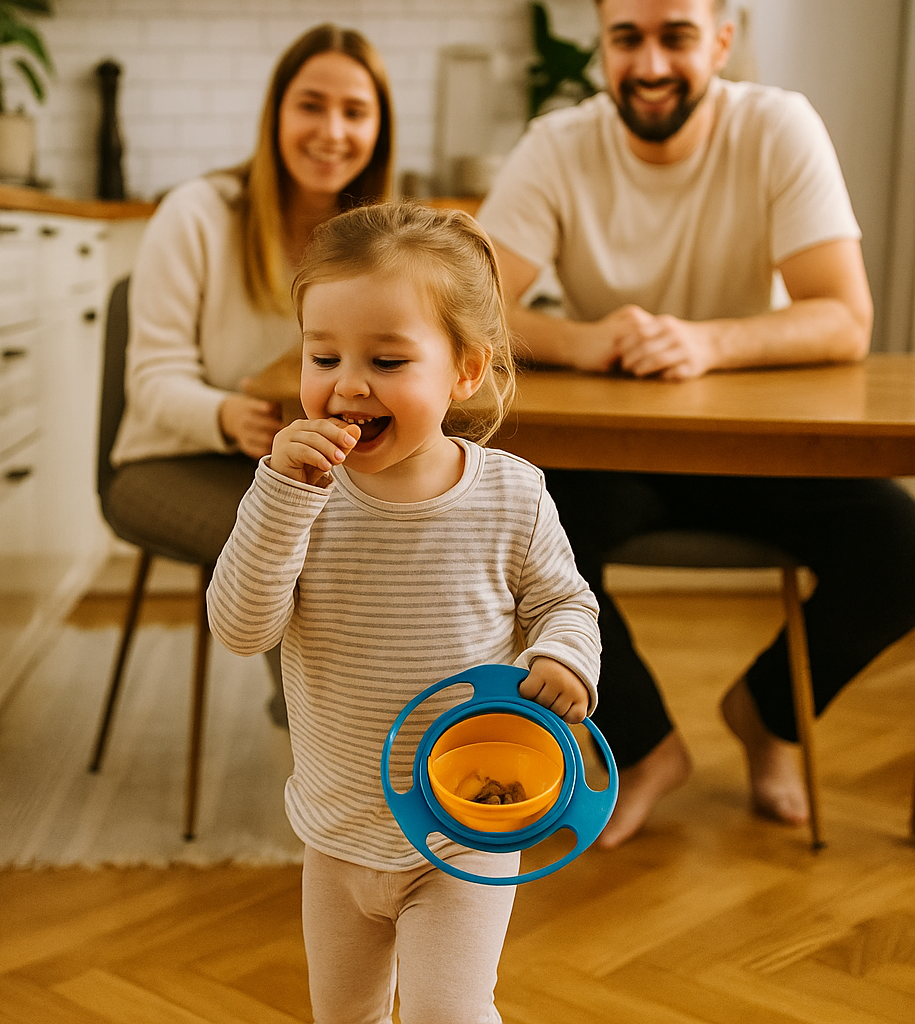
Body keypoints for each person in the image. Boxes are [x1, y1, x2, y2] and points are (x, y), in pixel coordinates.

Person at [477, 0, 915, 847]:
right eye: (626, 38)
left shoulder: (779, 127)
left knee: (903, 555)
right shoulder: (557, 143)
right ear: (600, 42)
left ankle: (769, 717)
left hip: (763, 450)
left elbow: (844, 319)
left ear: (722, 39)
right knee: (518, 541)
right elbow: (471, 307)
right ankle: (645, 751)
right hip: (620, 455)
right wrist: (589, 340)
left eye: (675, 37)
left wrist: (705, 343)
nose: (648, 65)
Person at [206, 203, 601, 1023]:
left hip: (465, 834)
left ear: (463, 370)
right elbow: (240, 629)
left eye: (387, 359)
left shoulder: (512, 494)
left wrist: (563, 656)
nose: (348, 383)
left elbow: (567, 600)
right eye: (324, 355)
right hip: (337, 829)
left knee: (447, 1015)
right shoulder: (298, 497)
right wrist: (281, 497)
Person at [107, 23, 395, 726]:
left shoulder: (379, 238)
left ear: (380, 129)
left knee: (405, 529)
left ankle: (387, 725)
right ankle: (321, 733)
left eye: (355, 111)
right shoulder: (197, 215)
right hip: (177, 458)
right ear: (276, 114)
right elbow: (151, 377)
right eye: (311, 105)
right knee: (317, 543)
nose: (332, 130)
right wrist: (225, 416)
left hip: (308, 462)